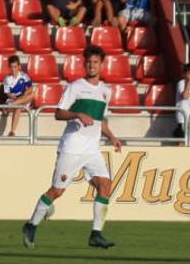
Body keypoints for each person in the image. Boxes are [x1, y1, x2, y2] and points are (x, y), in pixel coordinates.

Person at [22, 45, 122, 249]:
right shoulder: (76, 87)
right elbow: (58, 113)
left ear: (102, 65)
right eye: (89, 62)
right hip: (72, 147)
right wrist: (77, 114)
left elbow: (100, 119)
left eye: (95, 62)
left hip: (91, 149)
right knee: (57, 191)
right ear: (84, 64)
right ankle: (31, 225)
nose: (92, 65)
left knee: (105, 185)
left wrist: (112, 136)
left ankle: (96, 233)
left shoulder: (105, 91)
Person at [2, 55, 33, 137]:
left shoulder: (24, 76)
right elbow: (7, 93)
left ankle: (13, 105)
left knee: (33, 94)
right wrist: (16, 99)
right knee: (18, 106)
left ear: (19, 66)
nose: (13, 69)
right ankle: (12, 131)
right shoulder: (7, 78)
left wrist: (25, 94)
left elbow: (30, 88)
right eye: (11, 67)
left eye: (15, 67)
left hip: (22, 98)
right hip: (13, 99)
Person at [174, 63, 190, 142]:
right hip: (183, 118)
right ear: (185, 74)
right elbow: (184, 96)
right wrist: (188, 82)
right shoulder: (181, 83)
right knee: (181, 141)